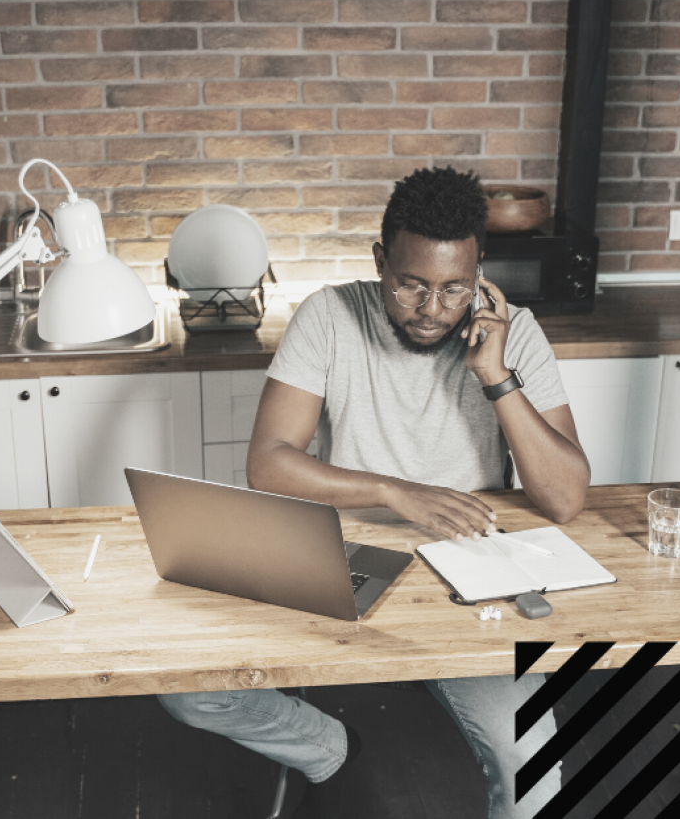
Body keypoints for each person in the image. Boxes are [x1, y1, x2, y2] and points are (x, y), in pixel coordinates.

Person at [158, 167, 592, 818]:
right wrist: (395, 491)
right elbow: (268, 463)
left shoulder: (514, 331)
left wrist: (497, 378)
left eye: (453, 289)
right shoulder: (330, 315)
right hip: (341, 551)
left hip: (470, 564)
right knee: (190, 690)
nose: (431, 310)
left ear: (479, 272)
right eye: (411, 285)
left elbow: (563, 500)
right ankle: (328, 748)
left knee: (525, 759)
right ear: (379, 261)